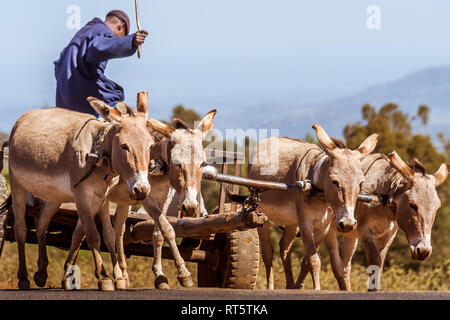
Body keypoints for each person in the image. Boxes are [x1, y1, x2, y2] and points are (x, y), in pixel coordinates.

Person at [54, 10, 148, 116]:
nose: (118, 39)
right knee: (118, 98)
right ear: (120, 27)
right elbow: (99, 47)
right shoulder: (102, 32)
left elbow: (59, 66)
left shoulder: (84, 33)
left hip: (63, 102)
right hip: (83, 100)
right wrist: (131, 41)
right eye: (122, 35)